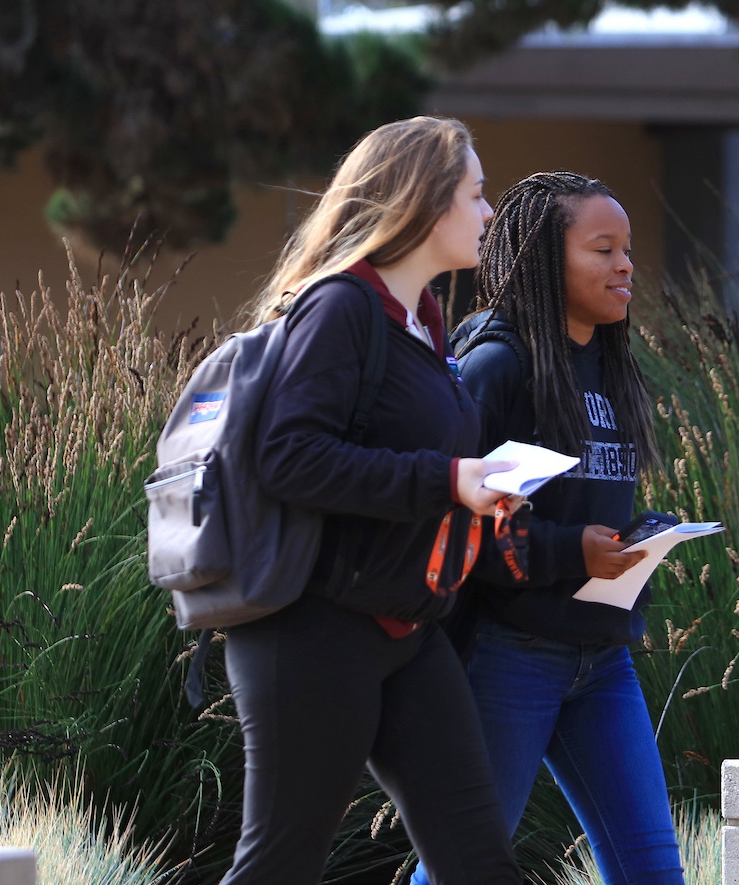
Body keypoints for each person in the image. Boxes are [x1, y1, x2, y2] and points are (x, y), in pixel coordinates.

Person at [222, 116, 524, 885]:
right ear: (422, 204)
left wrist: (478, 492)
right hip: (314, 629)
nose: (489, 214)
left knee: (481, 864)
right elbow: (288, 457)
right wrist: (446, 479)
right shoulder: (342, 307)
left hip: (407, 629)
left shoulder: (425, 320)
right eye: (477, 195)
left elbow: (407, 461)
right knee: (278, 867)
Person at [409, 172, 683, 885]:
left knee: (653, 871)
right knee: (461, 867)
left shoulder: (612, 366)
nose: (625, 265)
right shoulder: (495, 367)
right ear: (542, 259)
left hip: (603, 661)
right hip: (509, 655)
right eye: (603, 249)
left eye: (627, 249)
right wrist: (573, 551)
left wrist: (640, 538)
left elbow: (585, 507)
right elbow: (451, 523)